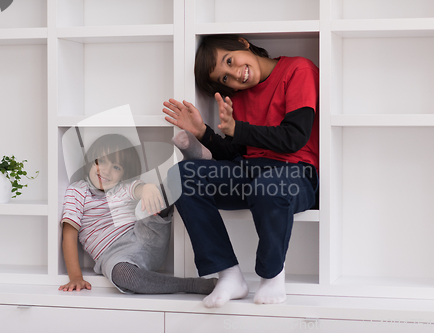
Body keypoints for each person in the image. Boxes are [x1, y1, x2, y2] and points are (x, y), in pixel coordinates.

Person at [163, 34, 319, 307]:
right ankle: (230, 275)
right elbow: (237, 155)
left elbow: (295, 137)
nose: (236, 75)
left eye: (230, 61)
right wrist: (203, 133)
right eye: (225, 78)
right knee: (181, 176)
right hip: (250, 171)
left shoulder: (298, 69)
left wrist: (238, 129)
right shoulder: (239, 98)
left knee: (267, 186)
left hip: (296, 173)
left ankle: (272, 275)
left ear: (242, 43)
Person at [59, 133, 216, 294]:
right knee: (122, 276)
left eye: (116, 167)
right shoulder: (78, 190)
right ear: (90, 161)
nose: (106, 171)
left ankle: (192, 162)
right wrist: (75, 276)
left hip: (145, 235)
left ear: (123, 174)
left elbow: (137, 189)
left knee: (156, 194)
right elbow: (69, 234)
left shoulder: (121, 187)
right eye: (101, 161)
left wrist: (147, 188)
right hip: (114, 256)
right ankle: (189, 285)